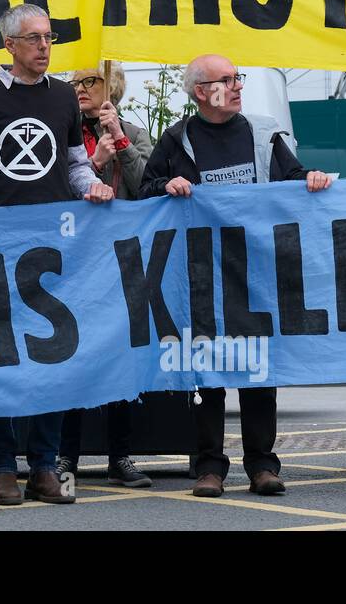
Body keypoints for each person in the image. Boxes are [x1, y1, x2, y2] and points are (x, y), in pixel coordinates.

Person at [139, 54, 331, 498]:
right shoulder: (176, 139)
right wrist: (166, 188)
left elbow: (295, 178)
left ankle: (263, 466)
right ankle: (209, 468)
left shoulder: (263, 133)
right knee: (207, 373)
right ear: (202, 92)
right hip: (201, 276)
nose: (239, 85)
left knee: (257, 371)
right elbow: (145, 193)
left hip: (257, 271)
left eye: (238, 77)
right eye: (228, 80)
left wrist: (314, 179)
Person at [0, 4, 114, 506]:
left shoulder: (64, 97)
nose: (44, 47)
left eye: (49, 37)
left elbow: (76, 166)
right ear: (9, 45)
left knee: (52, 353)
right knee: (1, 354)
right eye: (34, 38)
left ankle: (44, 466)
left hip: (55, 246)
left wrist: (95, 188)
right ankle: (1, 467)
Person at [57, 64, 154, 487]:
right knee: (72, 358)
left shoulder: (134, 131)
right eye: (74, 83)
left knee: (121, 360)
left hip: (123, 262)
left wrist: (120, 141)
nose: (79, 89)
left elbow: (148, 185)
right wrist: (93, 163)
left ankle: (121, 456)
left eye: (89, 82)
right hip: (75, 262)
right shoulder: (63, 132)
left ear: (111, 85)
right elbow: (57, 193)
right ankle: (65, 458)